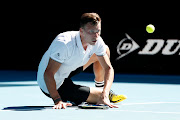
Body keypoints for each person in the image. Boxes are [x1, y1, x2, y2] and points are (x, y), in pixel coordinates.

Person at [37, 13, 127, 109]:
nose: (96, 36)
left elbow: (108, 68)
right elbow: (48, 73)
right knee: (97, 97)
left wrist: (104, 93)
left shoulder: (97, 41)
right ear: (81, 31)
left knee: (105, 49)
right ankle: (77, 95)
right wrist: (57, 100)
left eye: (98, 31)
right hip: (51, 83)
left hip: (68, 69)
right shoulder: (64, 44)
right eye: (91, 31)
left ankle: (100, 88)